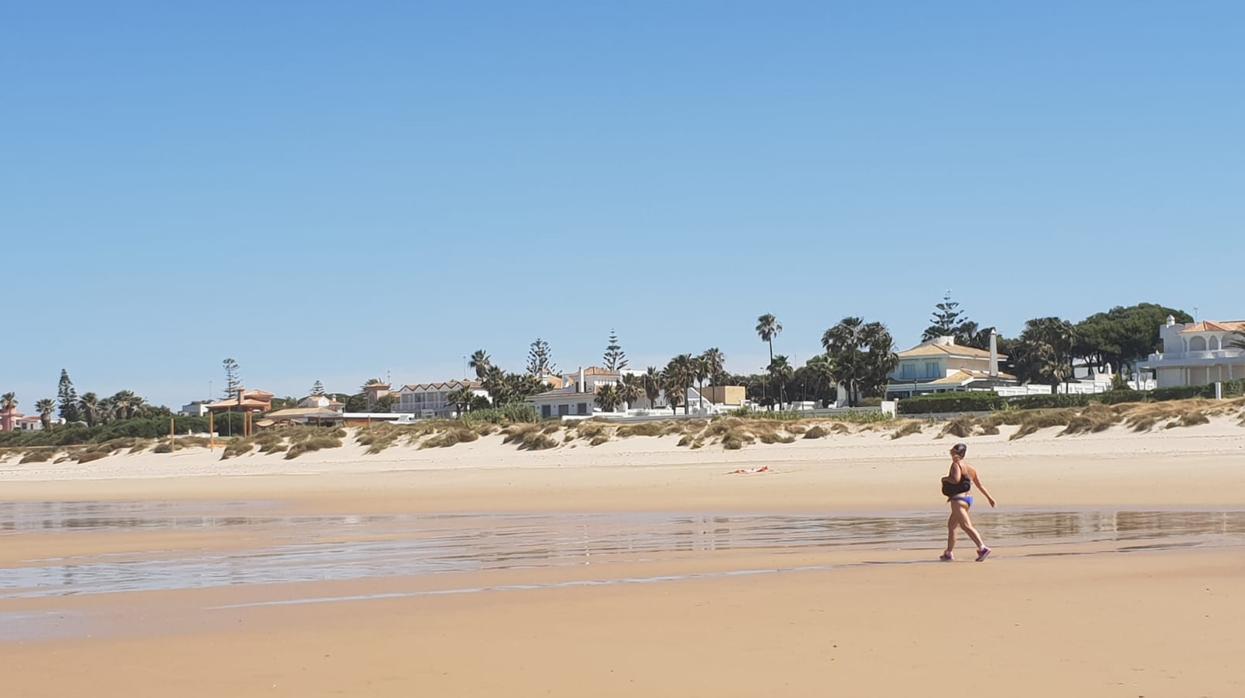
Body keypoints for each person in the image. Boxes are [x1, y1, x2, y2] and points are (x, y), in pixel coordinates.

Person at [939, 443, 996, 562]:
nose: (950, 452)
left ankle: (982, 548)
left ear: (955, 452)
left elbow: (956, 480)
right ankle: (948, 553)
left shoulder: (956, 464)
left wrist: (944, 479)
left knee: (965, 525)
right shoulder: (971, 468)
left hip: (958, 500)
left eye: (952, 450)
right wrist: (989, 498)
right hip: (968, 499)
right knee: (952, 526)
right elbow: (979, 485)